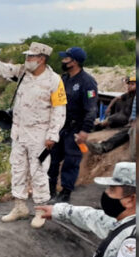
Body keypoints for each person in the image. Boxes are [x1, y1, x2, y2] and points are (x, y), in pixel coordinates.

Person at [0, 42, 67, 228]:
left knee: (38, 172)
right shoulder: (23, 72)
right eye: (27, 56)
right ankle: (20, 206)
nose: (27, 59)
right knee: (18, 169)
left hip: (39, 134)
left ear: (41, 59)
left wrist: (53, 135)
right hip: (19, 132)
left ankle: (40, 210)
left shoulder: (54, 81)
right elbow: (4, 68)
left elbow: (59, 110)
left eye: (31, 57)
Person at [48, 47, 98, 204]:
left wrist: (85, 130)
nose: (63, 61)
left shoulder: (87, 82)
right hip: (60, 126)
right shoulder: (64, 79)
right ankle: (49, 191)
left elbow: (91, 109)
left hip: (76, 128)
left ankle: (65, 194)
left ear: (74, 62)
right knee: (52, 160)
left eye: (66, 58)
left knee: (71, 161)